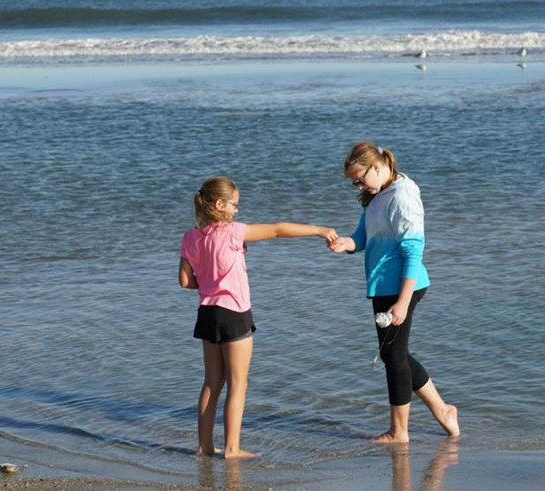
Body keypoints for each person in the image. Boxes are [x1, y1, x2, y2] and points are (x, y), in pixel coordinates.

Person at [179, 176, 337, 458]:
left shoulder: (191, 237)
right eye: (235, 205)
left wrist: (209, 284)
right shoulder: (233, 232)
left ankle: (204, 447)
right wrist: (318, 229)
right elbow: (277, 230)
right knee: (238, 384)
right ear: (220, 204)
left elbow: (184, 281)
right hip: (234, 313)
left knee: (211, 383)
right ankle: (232, 448)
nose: (237, 210)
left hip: (207, 313)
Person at [329, 142, 459, 444]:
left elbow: (414, 249)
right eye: (354, 182)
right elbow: (362, 237)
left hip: (403, 285)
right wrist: (346, 244)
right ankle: (442, 410)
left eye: (360, 179)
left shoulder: (402, 195)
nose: (358, 185)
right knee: (394, 354)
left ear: (377, 167)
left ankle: (399, 432)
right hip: (383, 286)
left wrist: (402, 301)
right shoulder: (376, 196)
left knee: (394, 357)